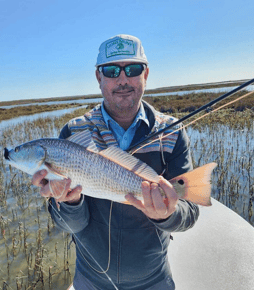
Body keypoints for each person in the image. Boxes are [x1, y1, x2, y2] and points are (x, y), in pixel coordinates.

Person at [32, 34, 199, 290]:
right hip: (91, 280)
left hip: (155, 278)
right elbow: (68, 225)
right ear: (99, 77)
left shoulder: (172, 132)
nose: (122, 79)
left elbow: (189, 213)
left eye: (132, 69)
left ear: (146, 74)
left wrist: (168, 214)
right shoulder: (74, 132)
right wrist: (69, 202)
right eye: (111, 71)